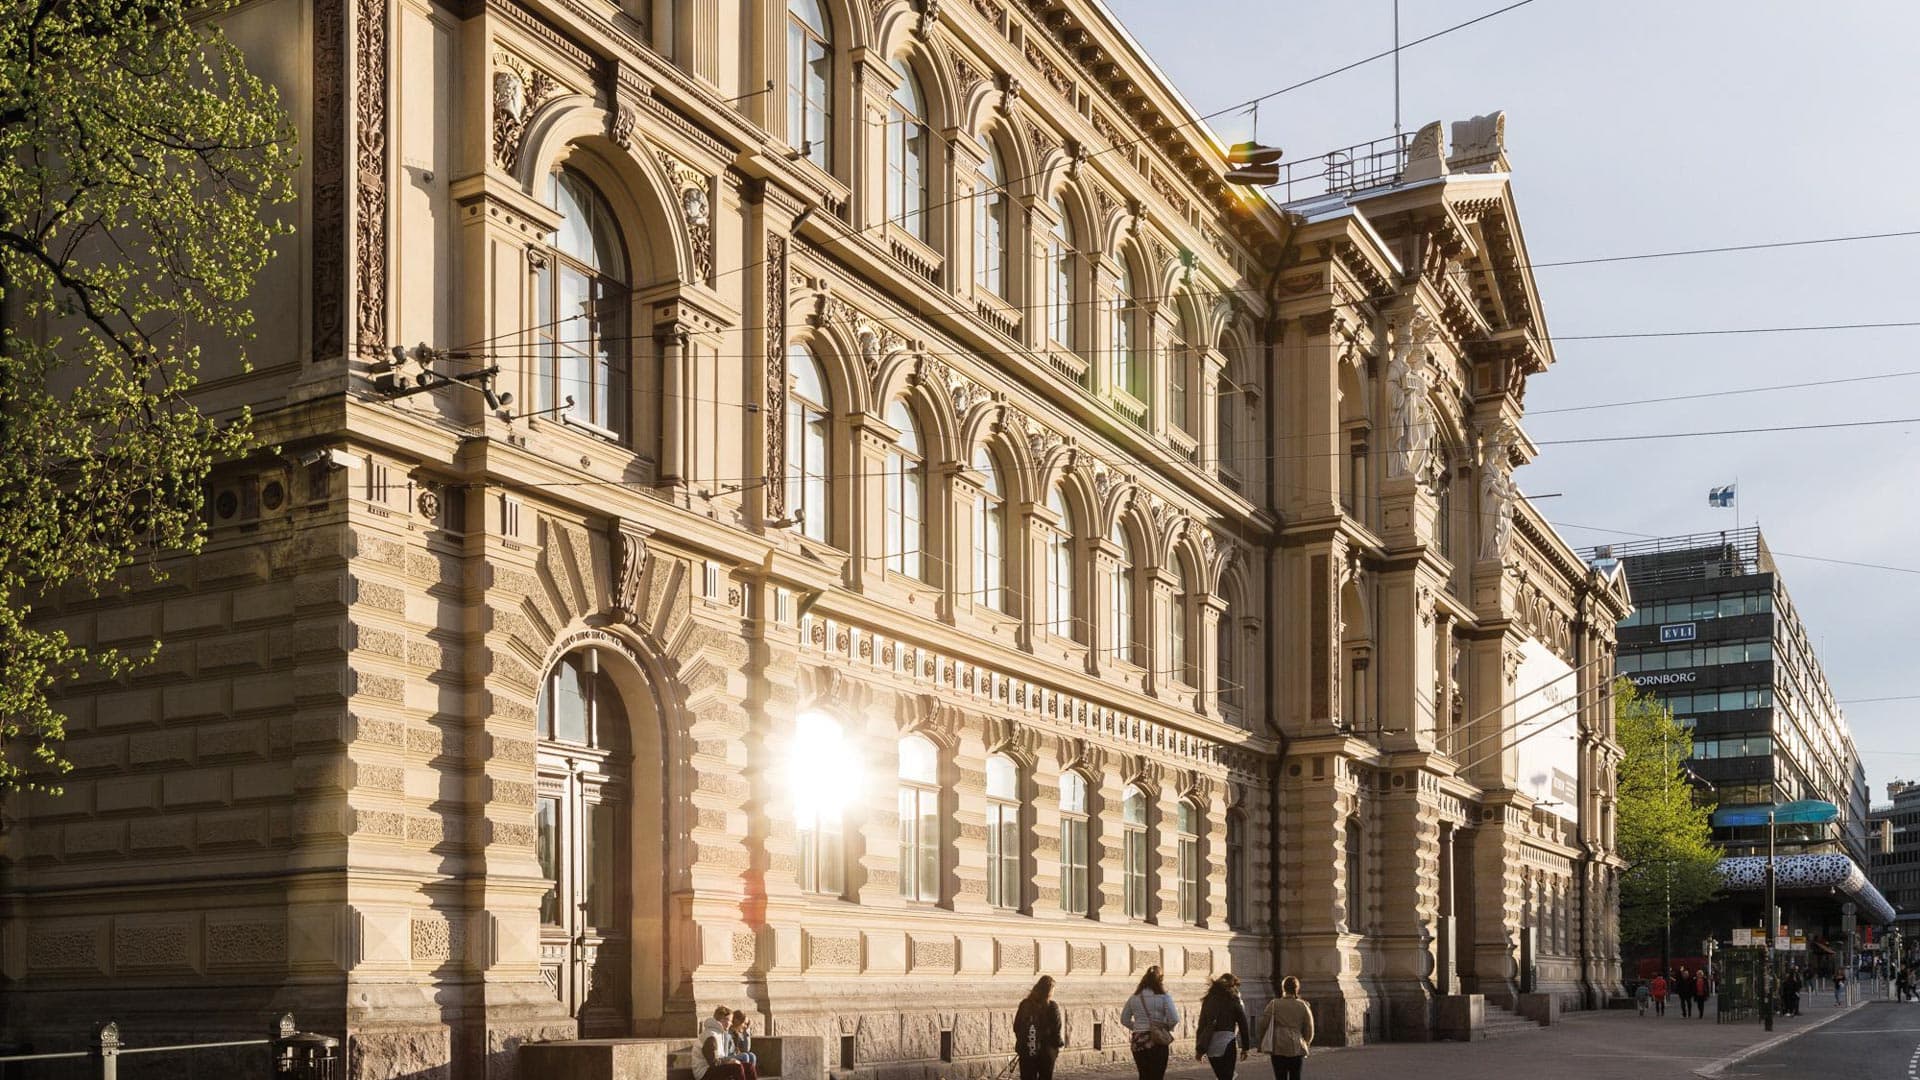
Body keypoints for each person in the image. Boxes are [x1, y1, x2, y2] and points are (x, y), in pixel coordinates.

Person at [1122, 966, 1179, 1080]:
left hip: (1138, 1040)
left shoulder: (1134, 998)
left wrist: (1138, 1027)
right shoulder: (1164, 997)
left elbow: (1124, 1019)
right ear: (1160, 980)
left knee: (1144, 1075)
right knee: (1157, 1075)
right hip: (1157, 1040)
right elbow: (1174, 1018)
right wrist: (1166, 1028)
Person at [1194, 973, 1251, 1080]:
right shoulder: (1233, 1000)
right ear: (1232, 986)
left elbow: (1201, 1025)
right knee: (1227, 1076)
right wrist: (1245, 1048)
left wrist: (1199, 1049)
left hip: (1211, 1044)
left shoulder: (1208, 1000)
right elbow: (1243, 1024)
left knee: (1221, 1076)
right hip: (1227, 1041)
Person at [1257, 975, 1315, 1080]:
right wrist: (1306, 1042)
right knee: (1295, 1076)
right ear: (1297, 989)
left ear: (1283, 988)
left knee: (1280, 1076)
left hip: (1278, 1045)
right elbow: (1309, 1028)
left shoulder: (1274, 1004)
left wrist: (1261, 1041)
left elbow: (1263, 1024)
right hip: (1296, 1044)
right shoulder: (1303, 1005)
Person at [1014, 975, 1065, 1080]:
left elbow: (1017, 1027)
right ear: (1049, 991)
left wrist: (1023, 1042)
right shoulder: (1052, 1007)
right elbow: (1056, 1030)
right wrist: (1058, 1045)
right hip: (1046, 1052)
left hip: (1028, 1049)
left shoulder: (1025, 1004)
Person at [694, 1006, 757, 1080]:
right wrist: (729, 1061)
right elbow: (713, 1063)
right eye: (729, 1020)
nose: (731, 1023)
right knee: (736, 1068)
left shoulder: (720, 1033)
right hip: (704, 1073)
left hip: (715, 1068)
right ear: (722, 1019)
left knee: (749, 1067)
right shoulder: (711, 1036)